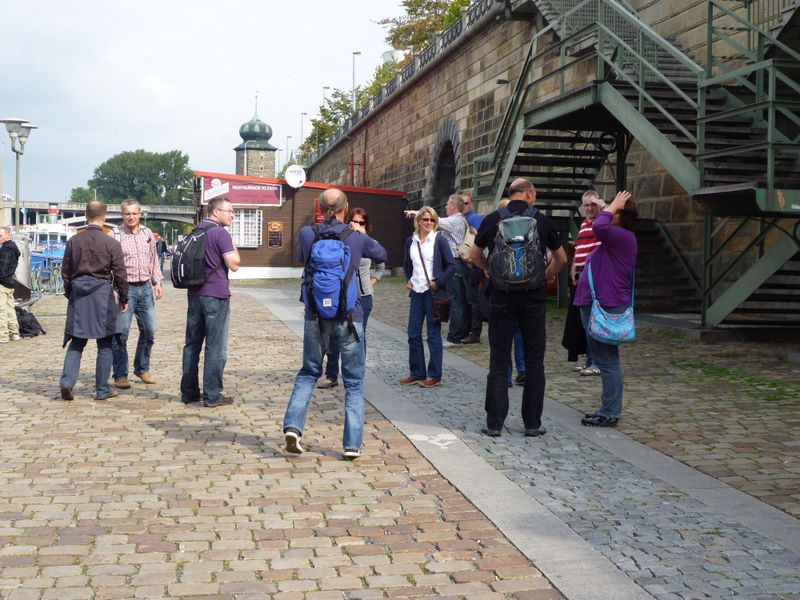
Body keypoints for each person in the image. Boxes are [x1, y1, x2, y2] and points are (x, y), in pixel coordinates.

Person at [283, 189, 388, 460]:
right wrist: (361, 237)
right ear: (346, 207)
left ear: (319, 208)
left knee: (308, 373)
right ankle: (351, 444)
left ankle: (293, 427)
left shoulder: (308, 234)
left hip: (315, 317)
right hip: (350, 317)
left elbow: (301, 257)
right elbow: (382, 255)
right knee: (353, 382)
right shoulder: (356, 237)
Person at [470, 178, 567, 437]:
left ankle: (494, 424)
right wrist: (547, 275)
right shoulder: (541, 220)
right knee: (534, 362)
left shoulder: (493, 219)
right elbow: (561, 258)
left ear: (511, 194)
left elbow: (474, 255)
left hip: (501, 297)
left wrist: (489, 270)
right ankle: (532, 424)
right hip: (533, 298)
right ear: (529, 193)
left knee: (498, 361)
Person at [574, 190, 638, 427]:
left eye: (613, 210)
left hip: (605, 306)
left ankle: (610, 411)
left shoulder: (623, 236)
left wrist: (613, 206)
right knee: (605, 360)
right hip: (596, 305)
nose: (606, 211)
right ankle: (608, 408)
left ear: (621, 215)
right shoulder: (616, 238)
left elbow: (599, 226)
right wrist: (610, 206)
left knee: (608, 361)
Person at [59, 200, 128, 401]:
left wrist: (70, 293)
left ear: (87, 216)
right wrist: (123, 297)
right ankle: (102, 389)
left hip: (79, 294)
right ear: (104, 218)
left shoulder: (74, 242)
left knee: (77, 341)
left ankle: (67, 382)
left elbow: (65, 272)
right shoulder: (112, 243)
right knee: (105, 343)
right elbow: (120, 274)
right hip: (102, 295)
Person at [180, 197, 241, 407]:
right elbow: (234, 265)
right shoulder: (220, 233)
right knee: (216, 347)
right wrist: (233, 245)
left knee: (191, 345)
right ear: (216, 212)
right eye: (229, 211)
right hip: (216, 295)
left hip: (194, 294)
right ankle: (213, 395)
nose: (232, 215)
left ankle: (189, 392)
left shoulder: (195, 232)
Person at [317, 207, 386, 389]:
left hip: (363, 296)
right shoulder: (343, 240)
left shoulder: (370, 242)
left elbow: (380, 266)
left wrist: (372, 282)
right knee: (335, 334)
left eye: (361, 222)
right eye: (354, 221)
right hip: (342, 295)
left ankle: (357, 374)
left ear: (366, 225)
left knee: (358, 335)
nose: (357, 224)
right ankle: (331, 375)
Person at [110, 199, 164, 389]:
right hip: (125, 290)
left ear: (140, 214)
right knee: (121, 333)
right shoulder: (114, 235)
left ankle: (141, 368)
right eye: (127, 213)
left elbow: (153, 259)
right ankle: (120, 374)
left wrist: (157, 282)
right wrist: (114, 289)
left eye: (134, 213)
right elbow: (108, 265)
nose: (131, 217)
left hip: (145, 289)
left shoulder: (147, 234)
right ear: (122, 215)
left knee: (150, 330)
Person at [400, 206, 456, 388]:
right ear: (418, 221)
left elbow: (451, 266)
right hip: (417, 292)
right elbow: (407, 264)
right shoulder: (411, 241)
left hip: (433, 292)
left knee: (433, 334)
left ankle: (434, 375)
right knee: (413, 333)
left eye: (432, 220)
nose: (429, 223)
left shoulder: (439, 240)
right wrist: (409, 279)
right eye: (425, 219)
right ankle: (417, 372)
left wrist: (438, 282)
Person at [404, 194, 468, 347]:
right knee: (459, 301)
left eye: (448, 204)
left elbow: (438, 221)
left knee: (455, 301)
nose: (446, 206)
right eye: (424, 219)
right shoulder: (411, 241)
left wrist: (417, 213)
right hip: (448, 265)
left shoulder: (456, 220)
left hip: (452, 262)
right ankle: (457, 333)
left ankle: (454, 336)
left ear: (453, 206)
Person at [562, 190, 605, 376]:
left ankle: (596, 361)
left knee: (593, 322)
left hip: (595, 277)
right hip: (581, 277)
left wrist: (602, 204)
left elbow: (610, 213)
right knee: (584, 323)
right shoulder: (584, 224)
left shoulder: (602, 222)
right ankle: (589, 359)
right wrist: (573, 268)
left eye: (593, 204)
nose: (589, 208)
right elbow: (580, 248)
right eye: (586, 205)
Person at [460, 192, 484, 344]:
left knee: (473, 300)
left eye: (466, 203)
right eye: (461, 203)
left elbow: (479, 241)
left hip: (472, 264)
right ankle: (467, 329)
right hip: (464, 263)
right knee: (466, 299)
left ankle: (474, 331)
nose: (464, 206)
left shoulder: (475, 219)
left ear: (472, 204)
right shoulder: (461, 219)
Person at [0, 226, 21, 343]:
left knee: (1, 310)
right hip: (10, 282)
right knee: (9, 309)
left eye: (0, 235)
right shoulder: (13, 248)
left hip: (2, 283)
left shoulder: (5, 250)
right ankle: (14, 333)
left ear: (8, 236)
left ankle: (3, 336)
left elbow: (2, 268)